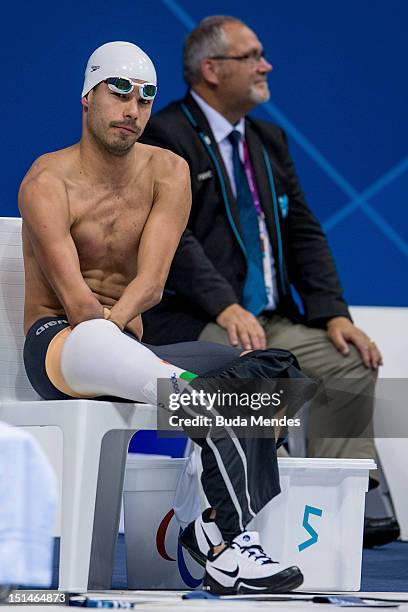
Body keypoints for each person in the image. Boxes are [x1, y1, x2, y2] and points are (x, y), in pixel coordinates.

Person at [19, 40, 315, 594]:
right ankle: (226, 547)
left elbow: (151, 285)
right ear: (87, 96)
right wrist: (116, 334)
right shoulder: (46, 181)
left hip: (132, 347)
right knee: (140, 363)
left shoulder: (168, 171)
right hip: (61, 347)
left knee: (273, 375)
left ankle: (205, 524)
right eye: (120, 91)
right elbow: (79, 303)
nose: (133, 108)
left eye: (147, 97)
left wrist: (126, 335)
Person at [140, 16, 400, 546]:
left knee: (348, 361)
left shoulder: (269, 140)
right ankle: (257, 507)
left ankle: (335, 506)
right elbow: (174, 237)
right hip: (194, 318)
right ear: (211, 70)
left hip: (269, 319)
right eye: (252, 55)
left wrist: (334, 315)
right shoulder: (165, 135)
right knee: (250, 369)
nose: (267, 65)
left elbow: (303, 230)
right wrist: (223, 306)